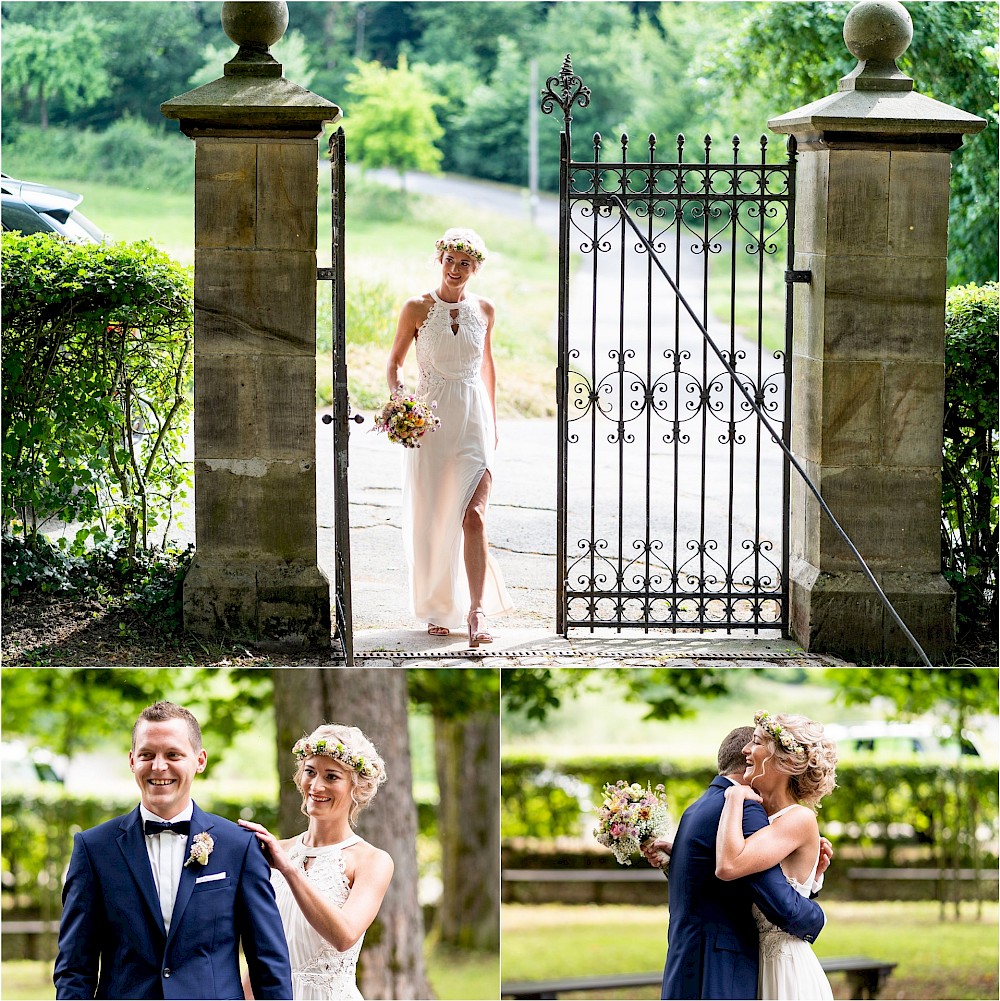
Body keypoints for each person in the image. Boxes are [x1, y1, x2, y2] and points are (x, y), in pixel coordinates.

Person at [54, 701, 292, 1000]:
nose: (158, 766)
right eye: (147, 755)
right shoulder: (93, 849)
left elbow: (268, 960)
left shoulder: (239, 846)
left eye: (173, 754)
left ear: (200, 760)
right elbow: (75, 967)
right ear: (131, 761)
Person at [385, 227, 513, 645]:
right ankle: (440, 608)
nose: (455, 270)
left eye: (465, 264)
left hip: (474, 422)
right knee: (434, 520)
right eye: (450, 261)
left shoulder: (486, 310)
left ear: (475, 268)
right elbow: (395, 364)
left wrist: (493, 423)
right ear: (439, 259)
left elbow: (488, 367)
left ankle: (477, 613)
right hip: (430, 424)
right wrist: (401, 402)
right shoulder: (416, 307)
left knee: (474, 516)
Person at [641, 726, 829, 1000]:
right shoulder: (744, 808)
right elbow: (765, 891)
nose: (748, 751)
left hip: (751, 963)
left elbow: (756, 885)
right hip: (736, 963)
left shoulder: (701, 808)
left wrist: (810, 880)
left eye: (757, 744)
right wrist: (816, 913)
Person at [239, 723, 394, 1001]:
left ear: (355, 788)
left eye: (332, 776)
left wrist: (288, 869)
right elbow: (261, 949)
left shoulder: (372, 861)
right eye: (310, 772)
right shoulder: (278, 850)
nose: (316, 785)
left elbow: (344, 935)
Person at [715, 712, 838, 1000]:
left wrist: (733, 798)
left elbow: (729, 865)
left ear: (781, 761)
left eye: (755, 742)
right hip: (752, 967)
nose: (745, 750)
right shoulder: (762, 817)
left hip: (787, 972)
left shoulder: (799, 819)